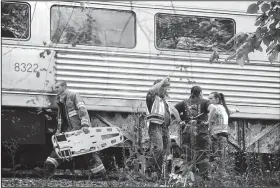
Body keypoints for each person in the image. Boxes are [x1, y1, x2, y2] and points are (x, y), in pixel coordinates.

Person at [34, 81, 106, 179]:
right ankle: (47, 171)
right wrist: (49, 113)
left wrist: (85, 125)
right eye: (55, 88)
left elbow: (82, 110)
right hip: (71, 130)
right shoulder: (60, 101)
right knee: (61, 148)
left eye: (57, 87)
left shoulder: (74, 96)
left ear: (64, 86)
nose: (55, 90)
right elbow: (63, 117)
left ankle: (100, 174)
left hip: (79, 129)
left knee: (87, 151)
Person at [145, 76, 181, 180]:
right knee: (158, 148)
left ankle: (161, 173)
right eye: (163, 87)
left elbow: (173, 109)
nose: (165, 90)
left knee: (166, 151)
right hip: (155, 126)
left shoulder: (163, 101)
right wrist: (162, 81)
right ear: (158, 88)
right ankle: (148, 169)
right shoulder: (152, 98)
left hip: (164, 128)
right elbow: (152, 90)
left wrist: (179, 120)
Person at [174, 86, 211, 180]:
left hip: (187, 130)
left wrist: (179, 120)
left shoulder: (185, 102)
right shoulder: (205, 101)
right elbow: (213, 109)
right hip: (200, 130)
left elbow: (173, 109)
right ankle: (203, 178)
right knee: (202, 154)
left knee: (187, 154)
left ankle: (188, 177)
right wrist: (208, 121)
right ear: (200, 93)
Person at [203, 92, 231, 178]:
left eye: (211, 98)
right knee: (222, 155)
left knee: (214, 155)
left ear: (217, 99)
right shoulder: (223, 107)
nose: (209, 100)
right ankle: (221, 174)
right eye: (209, 98)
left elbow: (211, 114)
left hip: (216, 135)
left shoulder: (214, 107)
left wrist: (207, 121)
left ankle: (213, 175)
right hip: (223, 134)